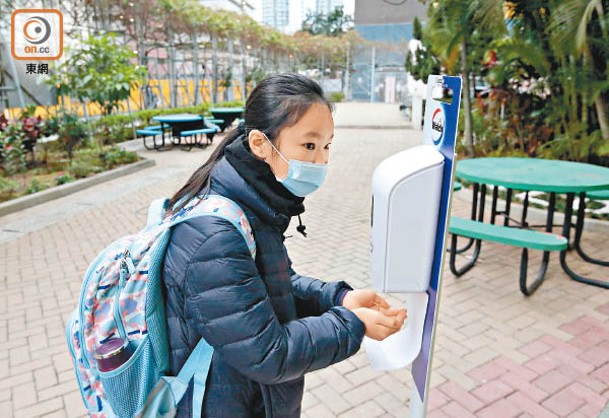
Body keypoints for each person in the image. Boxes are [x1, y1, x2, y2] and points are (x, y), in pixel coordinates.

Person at [162, 73, 407, 417]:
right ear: (261, 143)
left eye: (327, 146)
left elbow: (269, 285)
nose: (321, 161)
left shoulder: (254, 199)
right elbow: (267, 353)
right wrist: (352, 322)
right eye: (309, 146)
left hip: (246, 396)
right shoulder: (214, 232)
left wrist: (338, 297)